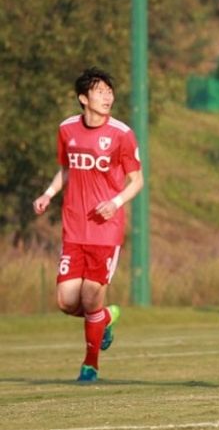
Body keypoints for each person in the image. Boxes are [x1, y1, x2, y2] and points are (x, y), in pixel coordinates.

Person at [33, 67, 143, 383]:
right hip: (74, 227)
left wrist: (115, 202)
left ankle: (90, 364)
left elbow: (137, 180)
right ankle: (105, 318)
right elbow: (66, 168)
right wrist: (48, 194)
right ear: (84, 98)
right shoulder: (67, 129)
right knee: (67, 302)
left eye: (109, 91)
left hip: (105, 230)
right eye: (100, 91)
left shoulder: (122, 133)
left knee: (92, 295)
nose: (107, 96)